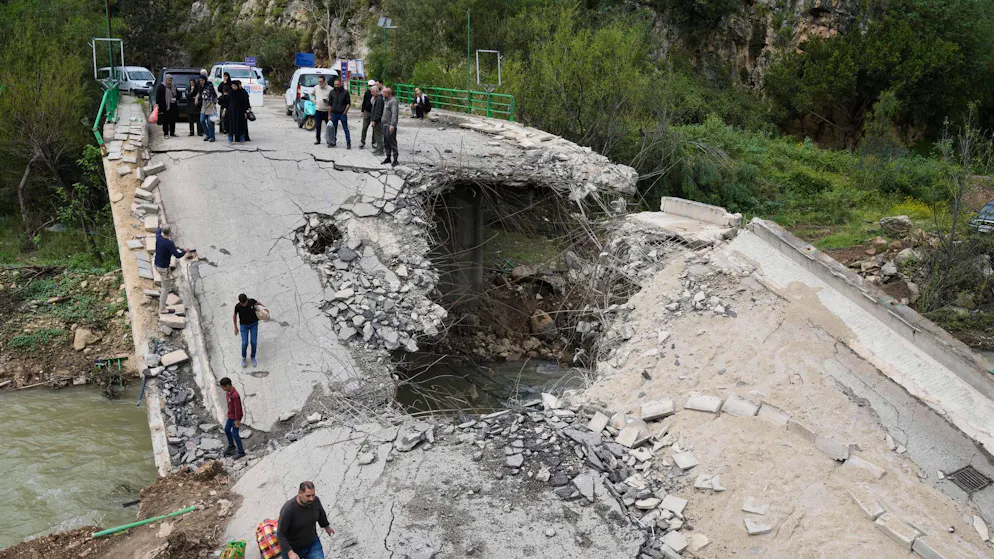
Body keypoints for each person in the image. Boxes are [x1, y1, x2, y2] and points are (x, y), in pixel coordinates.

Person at [276, 481, 334, 559]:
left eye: (313, 495)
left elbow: (321, 514)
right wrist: (290, 552)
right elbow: (280, 534)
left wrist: (327, 527)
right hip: (292, 548)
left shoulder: (315, 501)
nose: (311, 498)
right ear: (299, 493)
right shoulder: (288, 510)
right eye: (308, 496)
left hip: (312, 544)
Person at [154, 224, 188, 315]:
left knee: (164, 282)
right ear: (169, 232)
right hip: (163, 268)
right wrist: (185, 251)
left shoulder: (158, 237)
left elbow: (157, 230)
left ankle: (163, 287)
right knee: (166, 288)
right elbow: (177, 255)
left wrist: (160, 227)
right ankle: (162, 308)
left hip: (157, 265)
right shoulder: (169, 243)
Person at [218, 377, 245, 460]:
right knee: (226, 429)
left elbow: (238, 408)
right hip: (231, 416)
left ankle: (241, 452)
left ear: (228, 385)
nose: (222, 389)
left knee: (235, 434)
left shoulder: (235, 395)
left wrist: (237, 420)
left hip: (236, 417)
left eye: (223, 387)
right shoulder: (228, 393)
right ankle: (231, 446)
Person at [233, 293, 262, 367]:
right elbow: (234, 315)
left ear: (247, 300)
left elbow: (258, 304)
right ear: (240, 302)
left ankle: (253, 356)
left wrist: (264, 309)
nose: (244, 304)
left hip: (254, 324)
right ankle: (243, 357)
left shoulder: (251, 301)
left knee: (253, 342)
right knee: (245, 343)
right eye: (242, 303)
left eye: (245, 302)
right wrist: (235, 327)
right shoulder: (237, 307)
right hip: (244, 326)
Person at [326, 78, 352, 149]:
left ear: (340, 84)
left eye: (338, 84)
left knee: (345, 129)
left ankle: (348, 143)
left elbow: (348, 104)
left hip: (342, 114)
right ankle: (333, 142)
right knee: (333, 129)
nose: (337, 86)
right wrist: (329, 115)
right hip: (334, 113)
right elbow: (329, 105)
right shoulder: (331, 92)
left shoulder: (345, 92)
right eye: (335, 84)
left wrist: (344, 112)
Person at [310, 75, 332, 146]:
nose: (320, 83)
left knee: (328, 127)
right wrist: (314, 100)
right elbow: (310, 94)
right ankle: (318, 139)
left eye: (321, 81)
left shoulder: (330, 89)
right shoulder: (316, 87)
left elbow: (333, 99)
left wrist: (327, 101)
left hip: (326, 111)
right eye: (319, 81)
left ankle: (329, 140)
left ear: (324, 81)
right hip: (318, 110)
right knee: (318, 125)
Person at [381, 87, 399, 166]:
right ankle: (388, 157)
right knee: (386, 142)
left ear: (387, 93)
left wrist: (392, 125)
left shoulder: (393, 101)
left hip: (389, 125)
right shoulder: (385, 101)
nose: (382, 94)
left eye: (383, 93)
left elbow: (394, 114)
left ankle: (395, 159)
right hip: (384, 125)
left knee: (392, 142)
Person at [199, 77, 218, 143]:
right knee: (202, 120)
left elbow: (214, 94)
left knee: (210, 121)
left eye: (202, 80)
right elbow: (199, 93)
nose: (201, 81)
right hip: (204, 105)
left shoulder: (209, 85)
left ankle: (212, 136)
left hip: (210, 104)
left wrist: (214, 103)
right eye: (200, 80)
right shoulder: (200, 86)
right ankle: (208, 134)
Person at [360, 80, 377, 149]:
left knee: (374, 128)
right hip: (367, 111)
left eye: (371, 86)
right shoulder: (367, 92)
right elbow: (364, 101)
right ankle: (362, 141)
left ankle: (374, 142)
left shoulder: (376, 94)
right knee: (364, 127)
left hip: (373, 112)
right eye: (369, 86)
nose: (370, 87)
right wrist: (362, 111)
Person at [370, 86, 385, 156]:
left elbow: (378, 111)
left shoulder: (379, 99)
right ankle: (378, 148)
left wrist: (375, 120)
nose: (371, 93)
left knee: (379, 136)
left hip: (378, 121)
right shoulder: (377, 98)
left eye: (372, 92)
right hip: (376, 120)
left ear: (376, 91)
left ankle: (380, 150)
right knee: (376, 135)